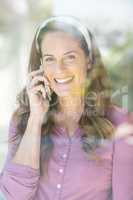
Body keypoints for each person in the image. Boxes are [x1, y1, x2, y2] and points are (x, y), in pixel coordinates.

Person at [0, 15, 133, 200]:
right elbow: (14, 195)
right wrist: (36, 119)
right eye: (50, 59)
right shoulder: (24, 119)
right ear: (40, 66)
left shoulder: (120, 122)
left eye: (69, 57)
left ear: (88, 60)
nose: (59, 69)